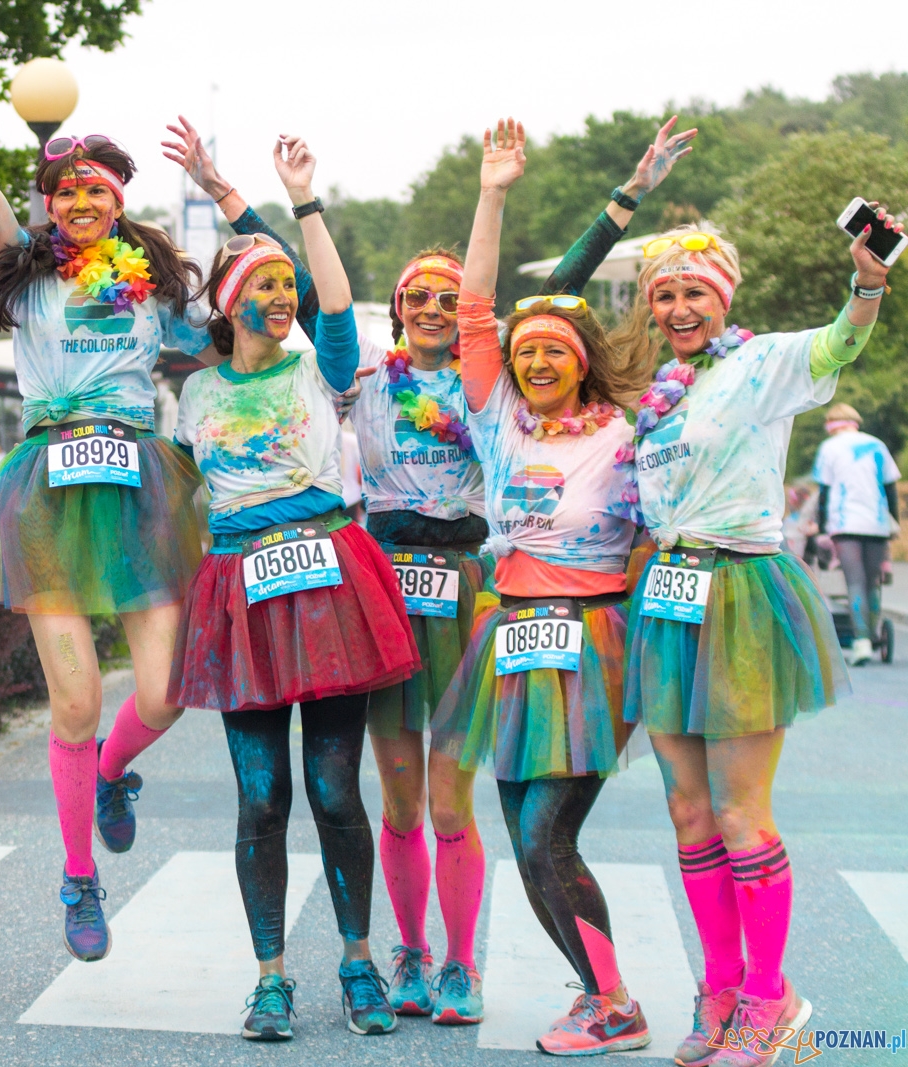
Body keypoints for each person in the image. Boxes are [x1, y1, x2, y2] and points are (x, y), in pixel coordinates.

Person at [161, 113, 694, 1026]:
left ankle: (459, 962)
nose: (438, 309)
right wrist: (230, 195)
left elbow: (552, 299)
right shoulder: (365, 374)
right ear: (400, 311)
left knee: (453, 797)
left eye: (452, 297)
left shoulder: (498, 394)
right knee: (396, 794)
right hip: (373, 588)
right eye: (419, 298)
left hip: (470, 588)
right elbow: (296, 288)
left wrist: (624, 198)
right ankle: (402, 952)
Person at [0, 31, 216, 962]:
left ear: (121, 203)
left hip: (141, 480)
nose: (79, 202)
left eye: (97, 191)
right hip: (47, 480)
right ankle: (79, 876)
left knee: (164, 690)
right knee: (73, 704)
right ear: (50, 205)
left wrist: (221, 182)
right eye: (65, 191)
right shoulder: (30, 274)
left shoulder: (155, 287)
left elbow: (241, 326)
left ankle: (114, 775)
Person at [617, 201, 900, 1066]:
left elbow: (839, 344)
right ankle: (722, 989)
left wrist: (867, 282)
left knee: (742, 813)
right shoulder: (660, 393)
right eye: (664, 294)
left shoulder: (765, 363)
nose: (679, 308)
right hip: (667, 595)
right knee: (686, 808)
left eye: (695, 291)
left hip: (741, 592)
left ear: (723, 296)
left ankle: (773, 1000)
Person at [169, 134, 419, 1042]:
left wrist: (294, 204)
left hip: (326, 582)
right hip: (241, 593)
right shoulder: (193, 396)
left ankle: (358, 963)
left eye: (287, 289)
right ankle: (271, 976)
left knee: (335, 791)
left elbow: (335, 301)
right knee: (261, 797)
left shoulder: (322, 366)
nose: (282, 300)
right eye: (264, 289)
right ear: (232, 304)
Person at [430, 119, 658, 1056]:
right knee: (525, 834)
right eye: (525, 352)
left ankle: (615, 1003)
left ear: (582, 357)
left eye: (554, 348)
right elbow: (477, 307)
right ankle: (597, 991)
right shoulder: (502, 427)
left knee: (545, 837)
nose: (535, 358)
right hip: (513, 639)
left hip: (596, 639)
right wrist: (493, 193)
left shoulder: (628, 432)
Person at [814, 401, 899, 665]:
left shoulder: (829, 448)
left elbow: (824, 493)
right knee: (872, 582)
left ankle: (861, 642)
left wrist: (821, 527)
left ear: (831, 425)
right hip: (876, 524)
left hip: (845, 523)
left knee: (854, 582)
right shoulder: (877, 445)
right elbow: (891, 489)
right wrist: (893, 521)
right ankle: (874, 634)